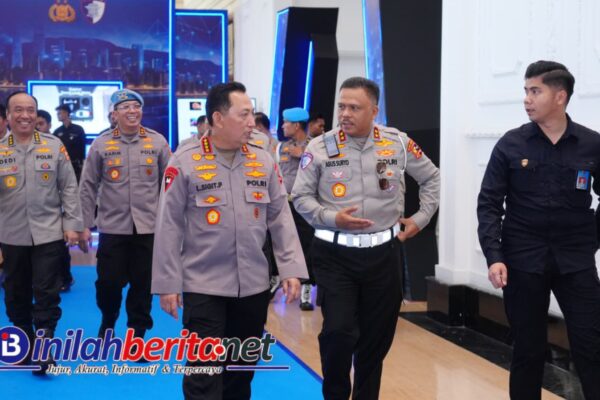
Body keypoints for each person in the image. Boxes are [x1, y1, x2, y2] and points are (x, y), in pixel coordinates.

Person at [152, 81, 308, 400]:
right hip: (203, 286)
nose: (252, 122)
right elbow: (168, 225)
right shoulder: (184, 161)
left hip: (252, 287)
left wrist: (291, 268)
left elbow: (280, 217)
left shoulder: (263, 160)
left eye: (252, 114)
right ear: (218, 118)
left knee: (240, 374)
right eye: (244, 115)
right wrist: (167, 283)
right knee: (203, 375)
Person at [292, 77, 440, 399]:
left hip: (383, 255)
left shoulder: (397, 143)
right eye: (341, 106)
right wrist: (332, 218)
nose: (345, 114)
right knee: (338, 333)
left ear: (374, 111)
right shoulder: (319, 147)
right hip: (335, 255)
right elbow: (300, 198)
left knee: (376, 340)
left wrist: (420, 219)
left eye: (354, 108)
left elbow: (432, 177)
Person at [477, 60, 600, 400]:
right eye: (526, 91)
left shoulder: (591, 144)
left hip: (575, 262)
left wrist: (592, 239)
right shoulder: (511, 144)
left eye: (535, 91)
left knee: (591, 347)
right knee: (528, 351)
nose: (527, 99)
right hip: (522, 261)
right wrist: (494, 255)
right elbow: (489, 204)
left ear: (560, 97)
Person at [0, 92, 83, 374]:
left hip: (49, 233)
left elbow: (68, 187)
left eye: (30, 110)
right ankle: (24, 340)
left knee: (47, 291)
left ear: (36, 114)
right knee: (15, 292)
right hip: (11, 235)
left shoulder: (53, 145)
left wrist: (72, 224)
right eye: (18, 110)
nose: (25, 115)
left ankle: (44, 348)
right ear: (8, 116)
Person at [79, 89, 171, 341]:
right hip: (113, 228)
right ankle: (108, 319)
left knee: (143, 286)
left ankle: (137, 335)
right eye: (125, 107)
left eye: (136, 107)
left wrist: (171, 224)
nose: (132, 111)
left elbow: (170, 185)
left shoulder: (157, 142)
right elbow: (88, 186)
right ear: (114, 114)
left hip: (148, 228)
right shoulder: (101, 144)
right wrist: (84, 225)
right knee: (108, 284)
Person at [278, 107, 316, 310]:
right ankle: (280, 279)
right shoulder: (282, 147)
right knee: (284, 244)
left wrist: (303, 155)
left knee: (307, 246)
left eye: (286, 122)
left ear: (297, 125)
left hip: (306, 205)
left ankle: (306, 289)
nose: (283, 125)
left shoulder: (315, 147)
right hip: (285, 204)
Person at [53, 104, 86, 181]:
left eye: (59, 113)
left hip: (76, 165)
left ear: (66, 113)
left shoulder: (78, 129)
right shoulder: (57, 131)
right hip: (62, 164)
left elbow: (82, 147)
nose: (58, 115)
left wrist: (83, 162)